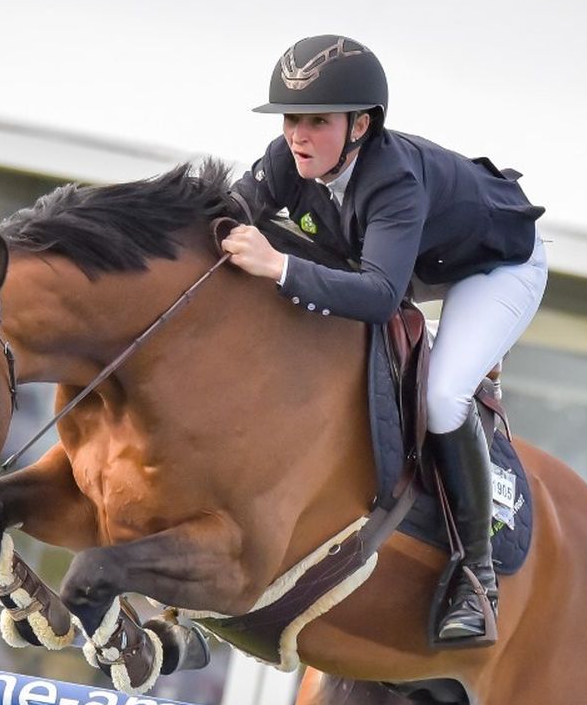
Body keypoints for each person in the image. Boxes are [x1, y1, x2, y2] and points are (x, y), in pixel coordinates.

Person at [224, 35, 547, 643]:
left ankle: (476, 577)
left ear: (360, 126)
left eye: (318, 121)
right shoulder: (289, 160)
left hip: (493, 267)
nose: (298, 135)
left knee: (444, 397)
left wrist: (280, 267)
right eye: (293, 119)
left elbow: (376, 295)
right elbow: (231, 208)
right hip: (415, 255)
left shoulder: (393, 181)